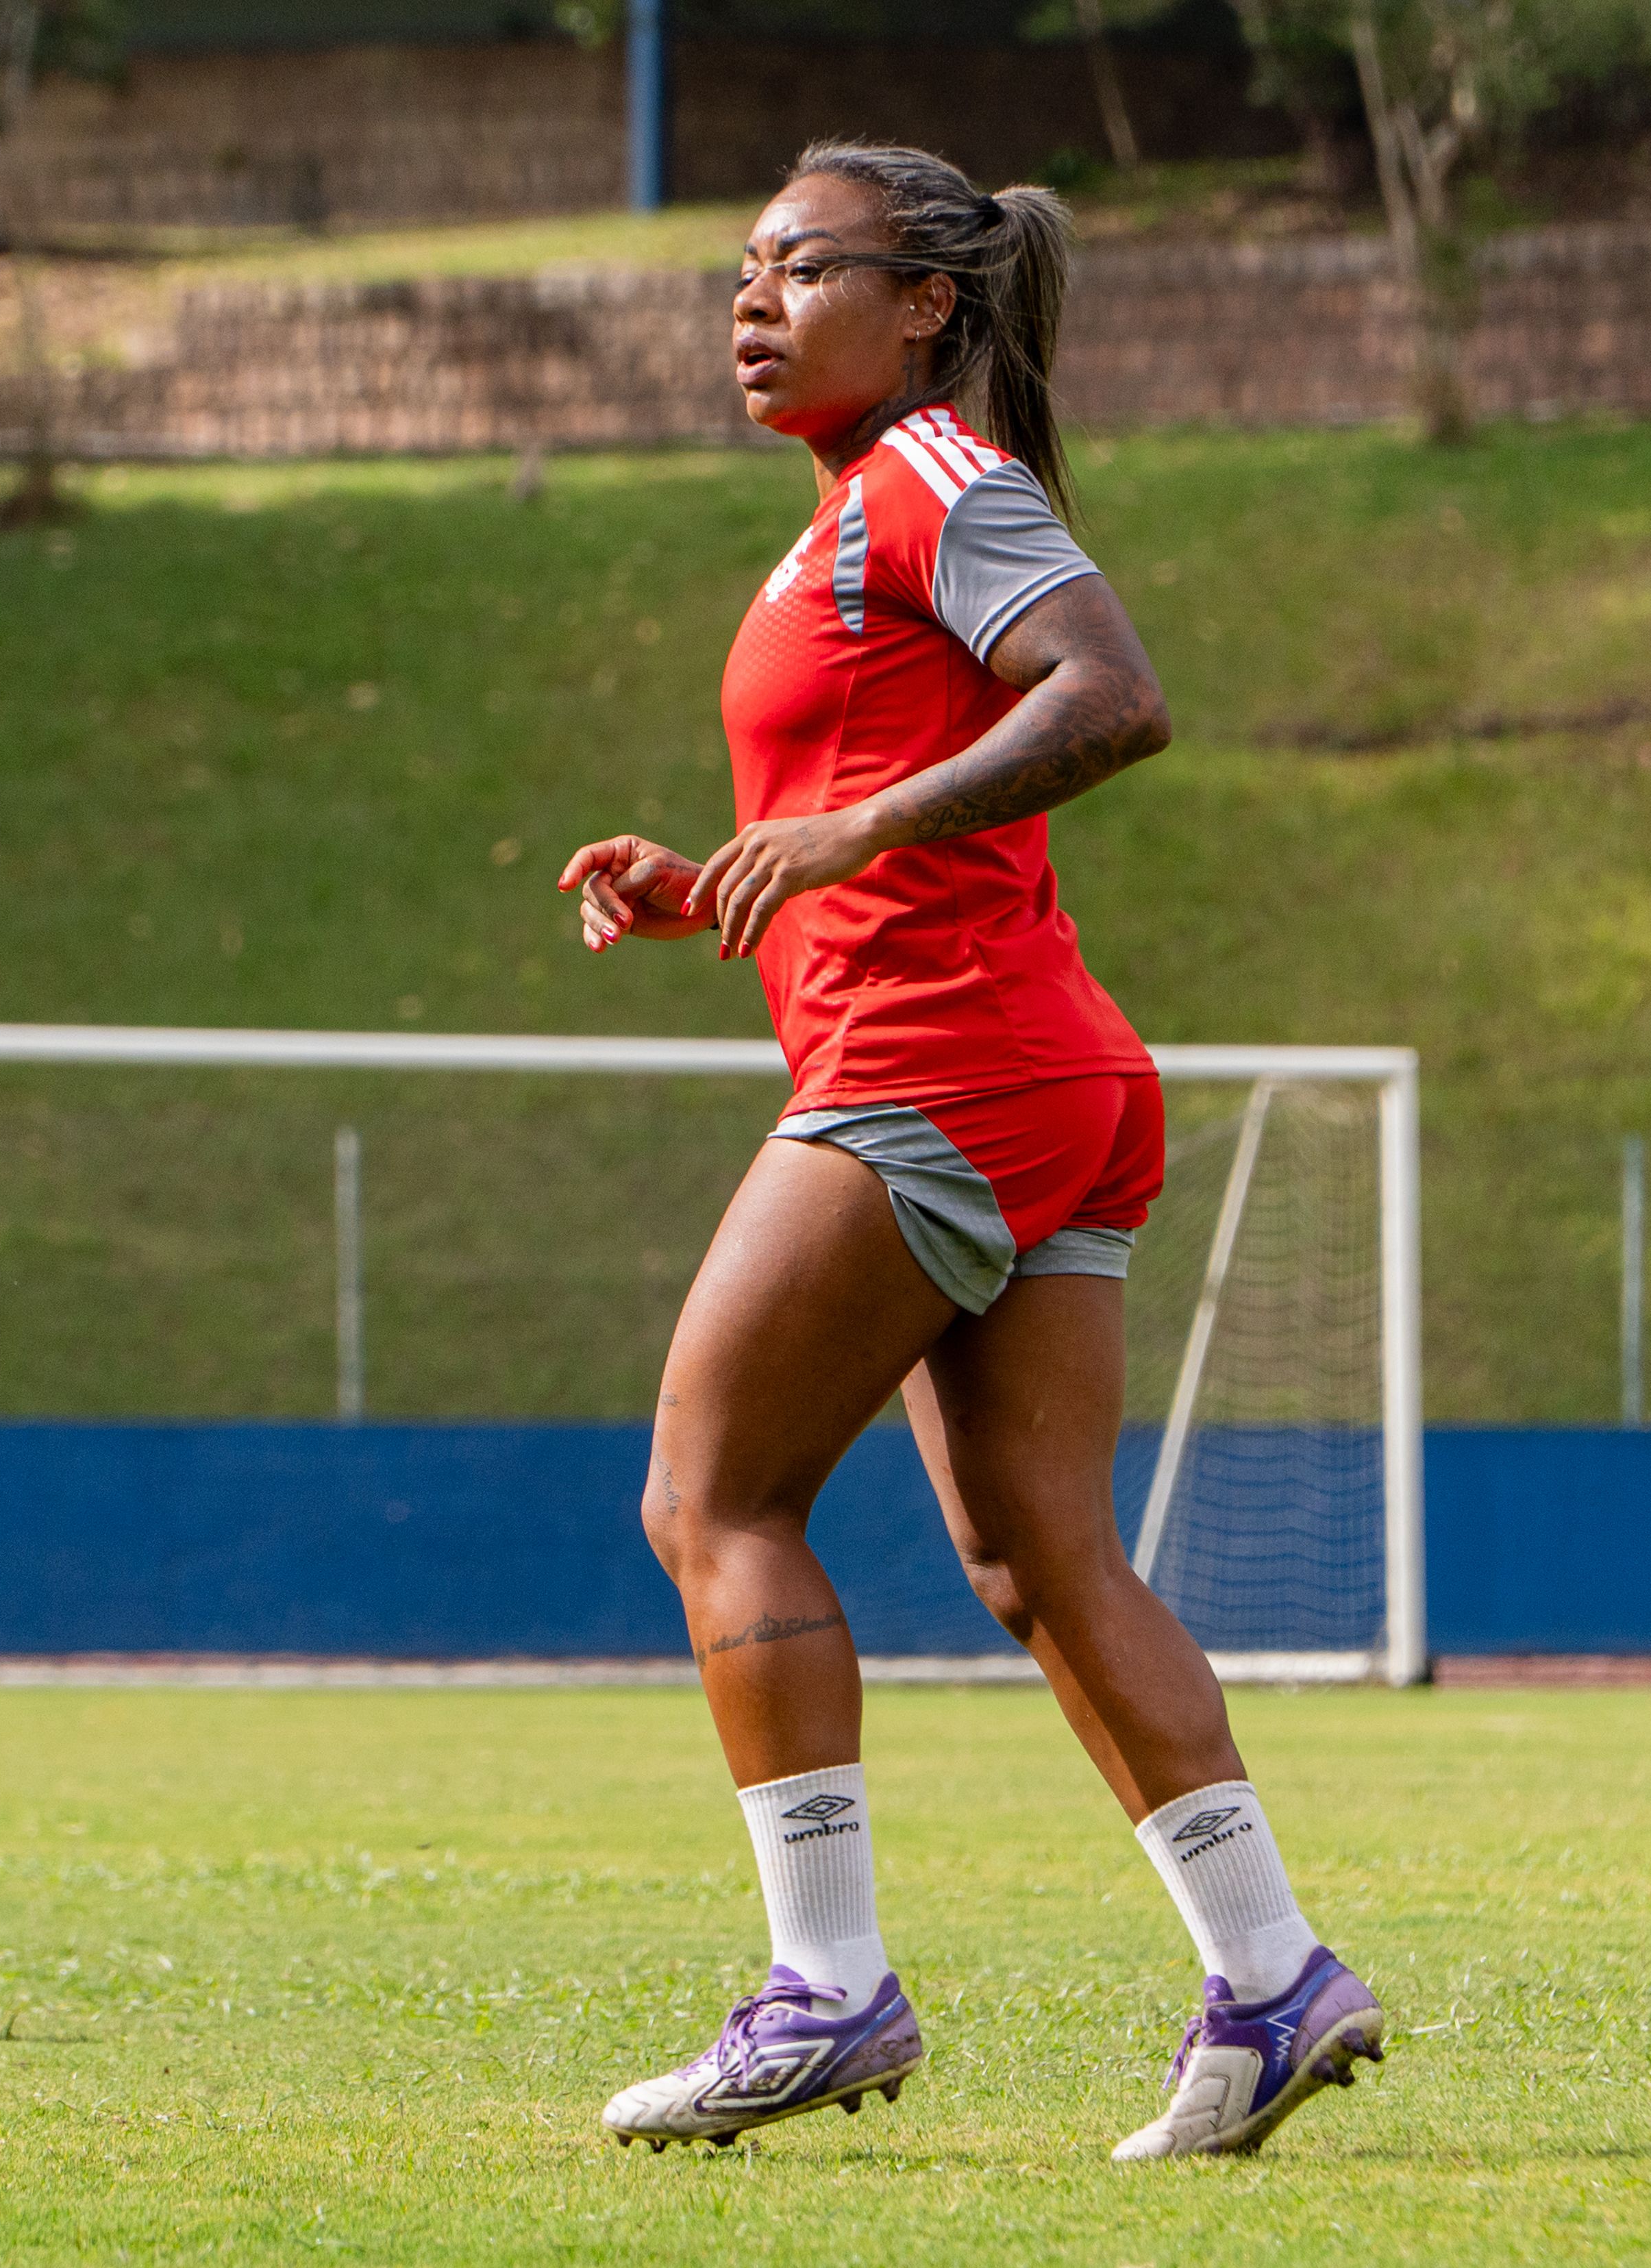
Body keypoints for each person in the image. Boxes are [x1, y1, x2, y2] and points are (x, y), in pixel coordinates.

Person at [554, 140, 1383, 2163]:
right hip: (1038, 1075)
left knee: (714, 1496)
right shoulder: (856, 512)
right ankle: (1274, 1976)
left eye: (801, 267)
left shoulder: (933, 475)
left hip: (941, 1067)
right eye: (742, 270)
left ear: (928, 302)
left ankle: (824, 1990)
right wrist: (717, 884)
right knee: (1040, 1556)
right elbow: (879, 792)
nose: (752, 301)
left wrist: (857, 830)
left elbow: (1114, 696)